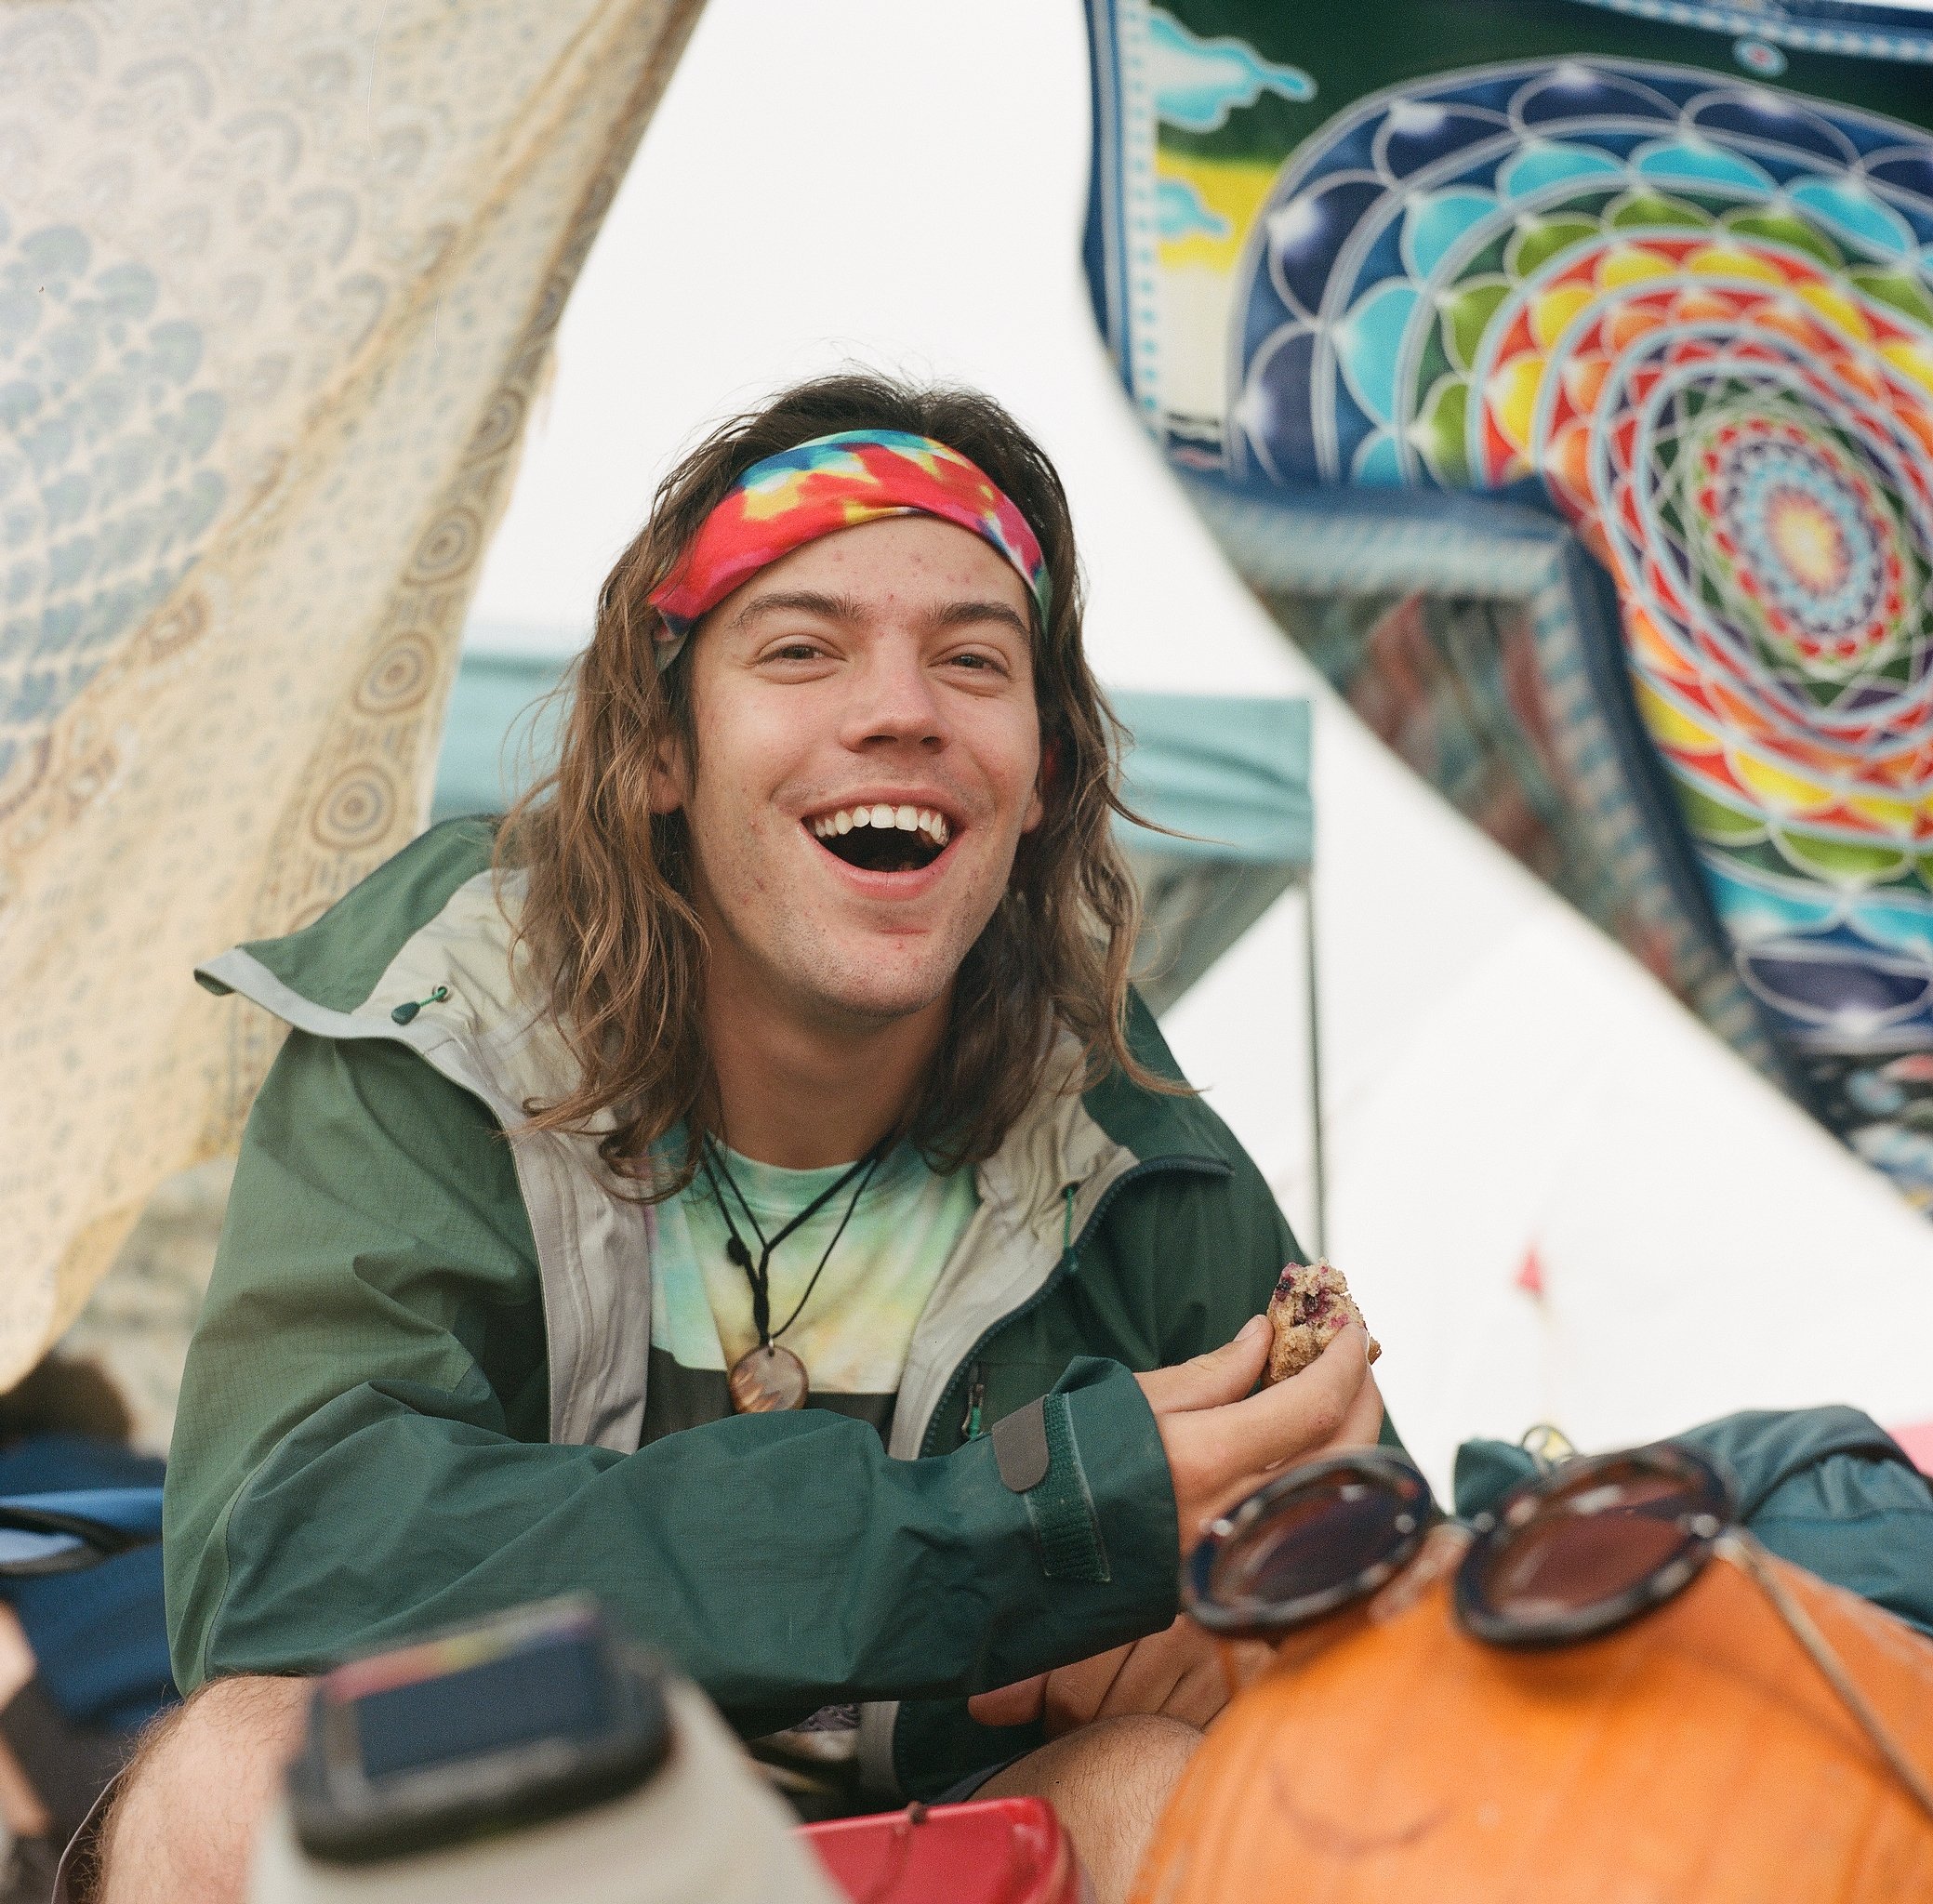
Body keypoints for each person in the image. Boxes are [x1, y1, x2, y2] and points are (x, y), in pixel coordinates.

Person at [88, 376, 1387, 1902]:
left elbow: (1393, 1626)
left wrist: (1277, 1601)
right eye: (802, 650)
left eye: (974, 659)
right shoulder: (446, 1019)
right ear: (662, 754)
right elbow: (287, 1557)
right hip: (523, 1849)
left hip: (954, 1848)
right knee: (235, 1780)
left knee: (1204, 1800)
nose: (900, 708)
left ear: (1040, 779)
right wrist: (1019, 1526)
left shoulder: (1122, 1136)